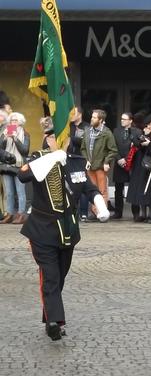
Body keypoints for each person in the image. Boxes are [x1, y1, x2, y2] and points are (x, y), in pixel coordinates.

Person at [18, 132, 110, 341]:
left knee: (60, 276)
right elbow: (23, 176)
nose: (59, 140)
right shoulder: (38, 159)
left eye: (63, 137)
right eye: (53, 137)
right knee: (50, 276)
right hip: (42, 229)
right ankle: (55, 322)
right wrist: (51, 157)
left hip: (67, 229)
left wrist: (101, 203)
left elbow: (89, 188)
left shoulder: (77, 163)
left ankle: (50, 314)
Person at [81, 109, 118, 210]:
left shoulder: (107, 133)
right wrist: (86, 160)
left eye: (94, 117)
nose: (91, 119)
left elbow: (113, 150)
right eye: (92, 117)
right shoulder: (87, 130)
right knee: (92, 190)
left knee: (102, 190)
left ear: (101, 120)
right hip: (89, 166)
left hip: (100, 166)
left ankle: (102, 212)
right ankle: (95, 211)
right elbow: (83, 148)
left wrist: (106, 162)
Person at [0, 112, 30, 224]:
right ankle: (9, 214)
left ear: (20, 122)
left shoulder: (25, 134)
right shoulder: (4, 132)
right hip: (7, 165)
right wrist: (4, 138)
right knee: (9, 192)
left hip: (19, 165)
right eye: (12, 121)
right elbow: (0, 149)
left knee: (20, 191)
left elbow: (25, 150)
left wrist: (15, 138)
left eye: (16, 121)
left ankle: (21, 214)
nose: (13, 123)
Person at [112, 112, 142, 219]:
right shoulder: (116, 131)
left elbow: (139, 145)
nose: (122, 121)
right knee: (118, 188)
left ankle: (136, 213)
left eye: (125, 119)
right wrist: (119, 158)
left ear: (130, 121)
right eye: (121, 119)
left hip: (133, 163)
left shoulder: (137, 131)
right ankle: (118, 212)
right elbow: (112, 147)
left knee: (134, 187)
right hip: (119, 162)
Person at [67, 106, 90, 221]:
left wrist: (70, 138)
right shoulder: (67, 126)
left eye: (73, 113)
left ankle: (84, 213)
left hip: (81, 159)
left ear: (80, 114)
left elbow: (84, 141)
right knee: (71, 186)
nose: (71, 115)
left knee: (82, 185)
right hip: (69, 159)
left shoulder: (86, 127)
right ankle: (73, 212)